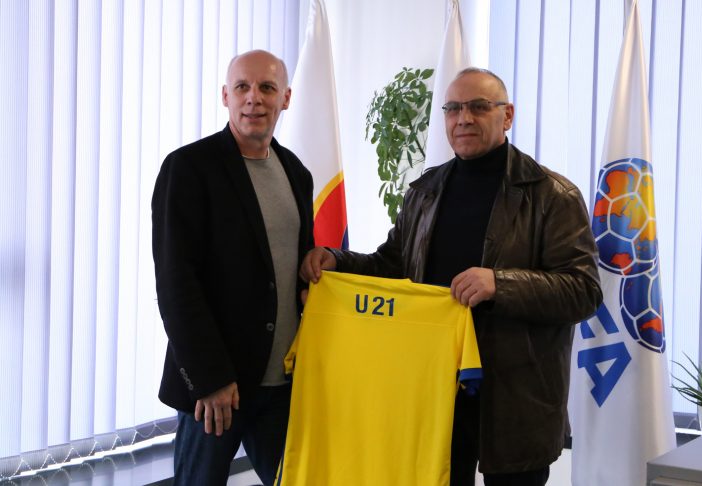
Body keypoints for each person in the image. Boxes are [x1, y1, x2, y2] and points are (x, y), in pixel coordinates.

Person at [300, 68, 602, 486]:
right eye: (454, 108)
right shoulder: (424, 191)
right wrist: (337, 261)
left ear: (507, 115)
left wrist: (500, 284)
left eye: (479, 107)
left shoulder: (552, 195)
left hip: (517, 399)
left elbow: (583, 290)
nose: (464, 118)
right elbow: (392, 266)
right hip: (434, 391)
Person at [152, 50, 314, 486]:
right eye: (242, 87)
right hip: (218, 388)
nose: (253, 98)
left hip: (281, 383)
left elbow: (295, 269)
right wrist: (209, 378)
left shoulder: (296, 172)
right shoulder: (189, 168)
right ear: (226, 96)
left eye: (267, 88)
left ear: (286, 98)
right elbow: (176, 284)